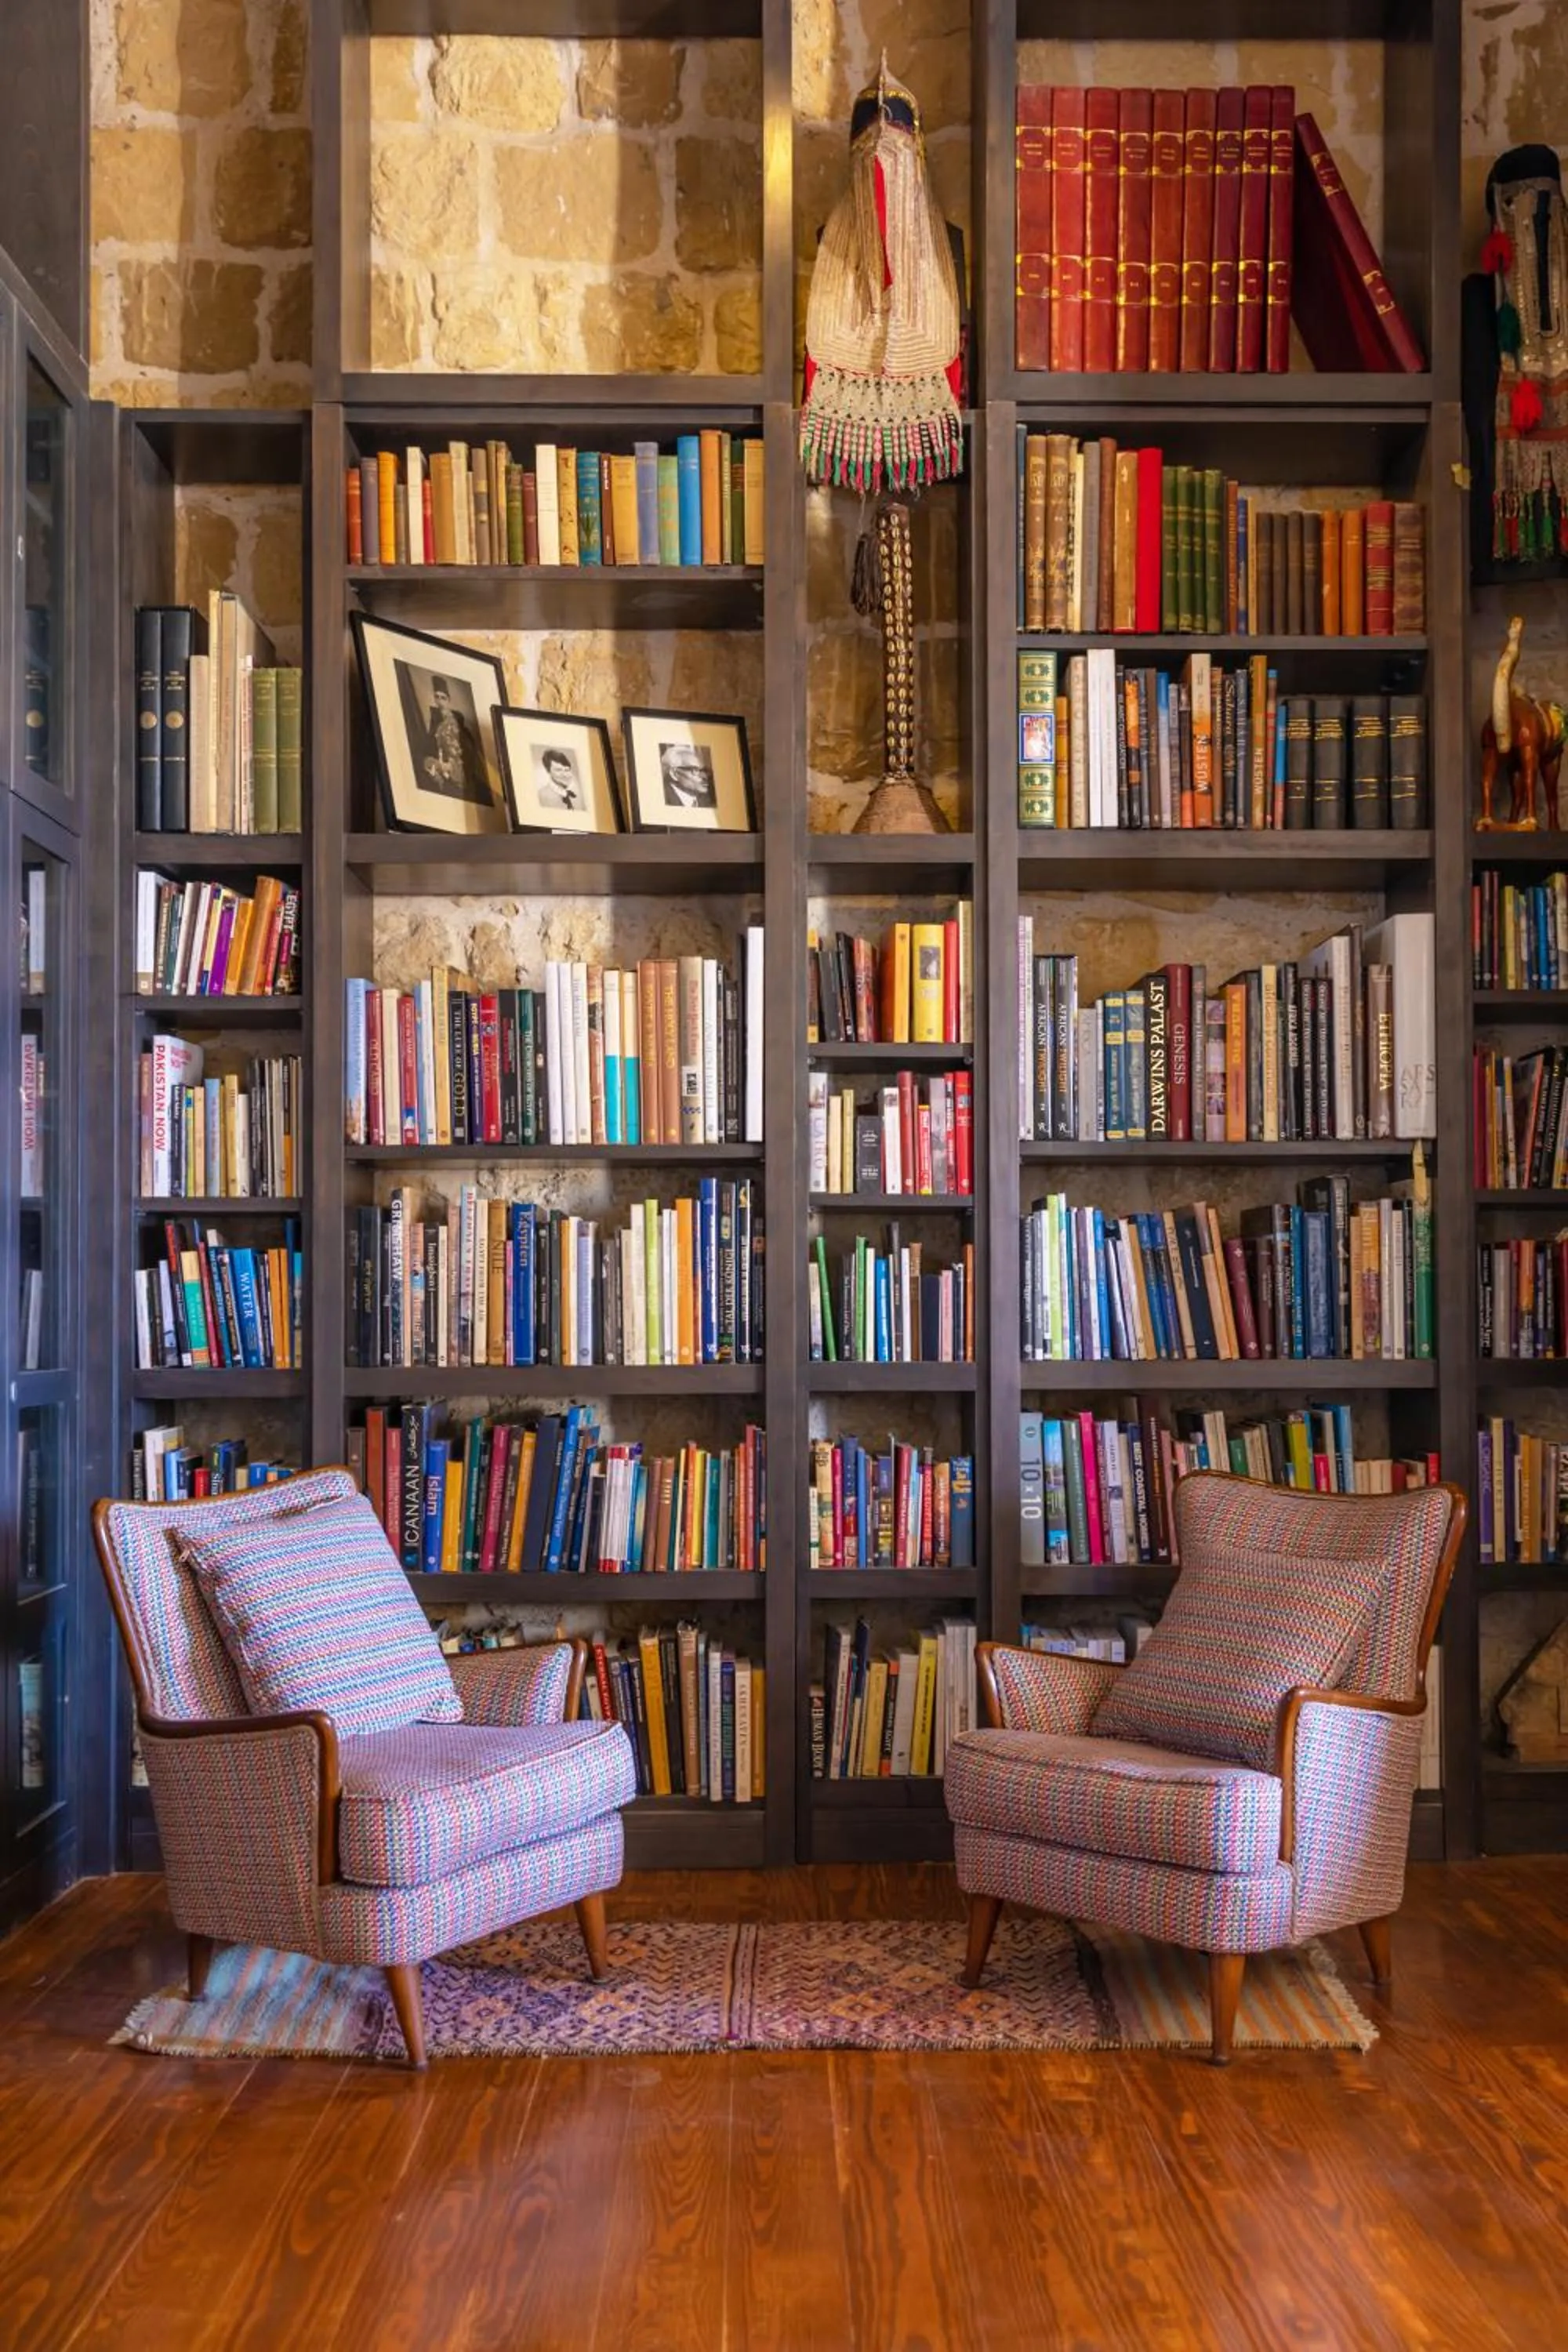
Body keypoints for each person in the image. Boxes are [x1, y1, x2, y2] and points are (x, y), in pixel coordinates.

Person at [416, 675, 485, 800]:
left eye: (443, 698)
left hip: (456, 770)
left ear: (449, 700)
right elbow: (429, 746)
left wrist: (450, 766)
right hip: (440, 767)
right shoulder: (434, 720)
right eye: (437, 697)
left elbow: (465, 753)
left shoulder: (456, 723)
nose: (440, 701)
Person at [659, 740, 717, 810]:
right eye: (695, 770)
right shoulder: (661, 800)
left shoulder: (707, 800)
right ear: (674, 774)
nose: (705, 776)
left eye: (704, 770)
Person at [535, 746, 581, 811]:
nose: (565, 775)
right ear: (548, 771)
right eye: (558, 770)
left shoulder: (576, 794)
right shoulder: (541, 796)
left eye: (567, 770)